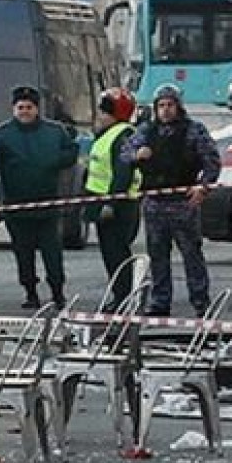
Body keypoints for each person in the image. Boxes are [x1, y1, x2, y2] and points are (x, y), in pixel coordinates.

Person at [125, 84, 219, 317]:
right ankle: (160, 302)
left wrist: (202, 188)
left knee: (192, 255)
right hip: (155, 203)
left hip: (183, 204)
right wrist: (137, 155)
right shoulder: (146, 131)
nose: (166, 110)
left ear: (179, 107)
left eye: (170, 105)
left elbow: (212, 162)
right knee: (157, 256)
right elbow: (124, 154)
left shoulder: (193, 131)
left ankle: (200, 302)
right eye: (161, 106)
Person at [0, 85, 79, 308]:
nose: (25, 111)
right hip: (16, 207)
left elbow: (71, 152)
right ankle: (30, 293)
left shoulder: (55, 131)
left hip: (47, 206)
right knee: (23, 254)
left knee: (53, 254)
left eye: (29, 107)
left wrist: (54, 161)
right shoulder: (1, 134)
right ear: (13, 109)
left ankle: (57, 292)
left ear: (37, 109)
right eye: (20, 107)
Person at [83, 87, 142, 307]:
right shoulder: (108, 135)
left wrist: (111, 202)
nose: (99, 115)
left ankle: (124, 297)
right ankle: (120, 295)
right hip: (103, 203)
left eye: (104, 112)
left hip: (117, 207)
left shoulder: (124, 136)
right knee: (110, 253)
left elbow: (123, 172)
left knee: (117, 253)